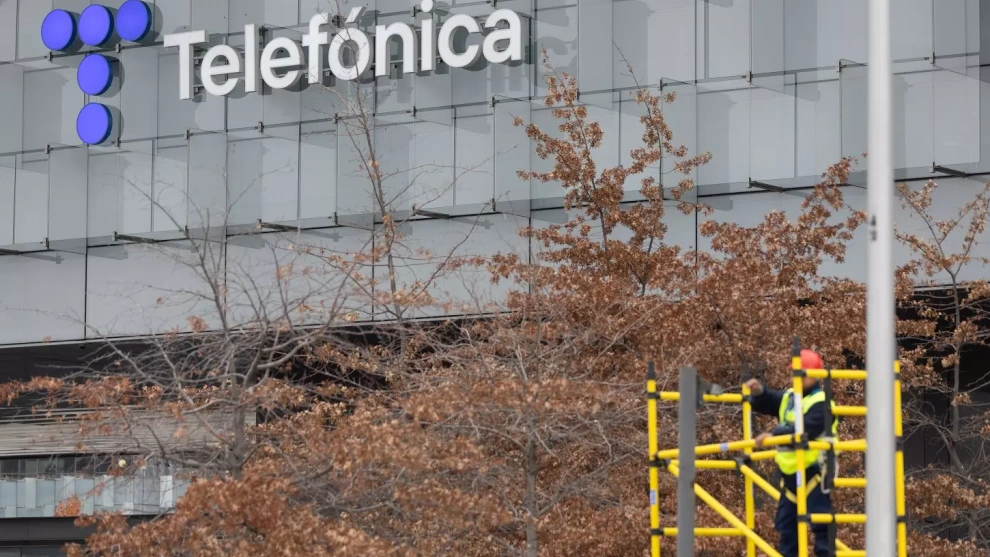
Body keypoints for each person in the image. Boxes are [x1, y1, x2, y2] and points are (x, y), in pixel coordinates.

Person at [745, 348, 838, 557]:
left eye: (798, 374)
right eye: (792, 373)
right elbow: (771, 401)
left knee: (821, 522)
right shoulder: (790, 397)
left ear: (812, 376)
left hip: (815, 471)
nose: (793, 378)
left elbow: (805, 429)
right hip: (790, 475)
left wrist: (773, 434)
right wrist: (760, 392)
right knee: (787, 527)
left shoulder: (822, 402)